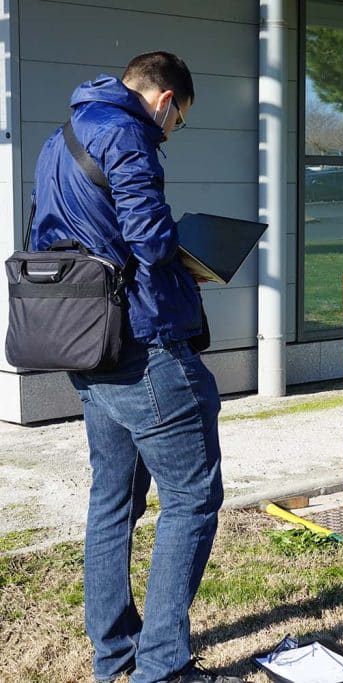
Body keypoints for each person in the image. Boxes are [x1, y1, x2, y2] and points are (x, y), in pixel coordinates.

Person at [29, 53, 243, 683]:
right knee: (193, 497)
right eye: (179, 119)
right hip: (145, 346)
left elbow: (53, 233)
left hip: (87, 343)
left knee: (113, 501)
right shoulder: (127, 133)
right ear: (165, 99)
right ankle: (163, 667)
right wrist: (192, 256)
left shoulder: (56, 138)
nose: (173, 130)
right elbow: (148, 240)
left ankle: (114, 656)